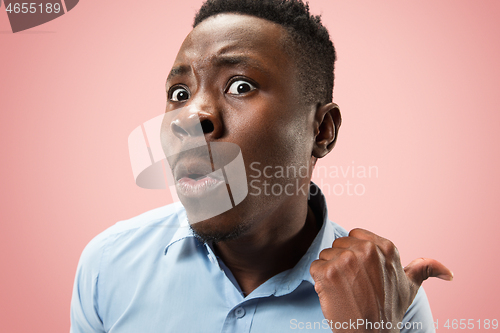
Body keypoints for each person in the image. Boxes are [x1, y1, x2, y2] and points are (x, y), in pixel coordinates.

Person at [70, 0, 453, 332]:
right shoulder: (108, 265)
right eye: (180, 94)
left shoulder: (385, 301)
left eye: (240, 86)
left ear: (322, 130)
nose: (192, 116)